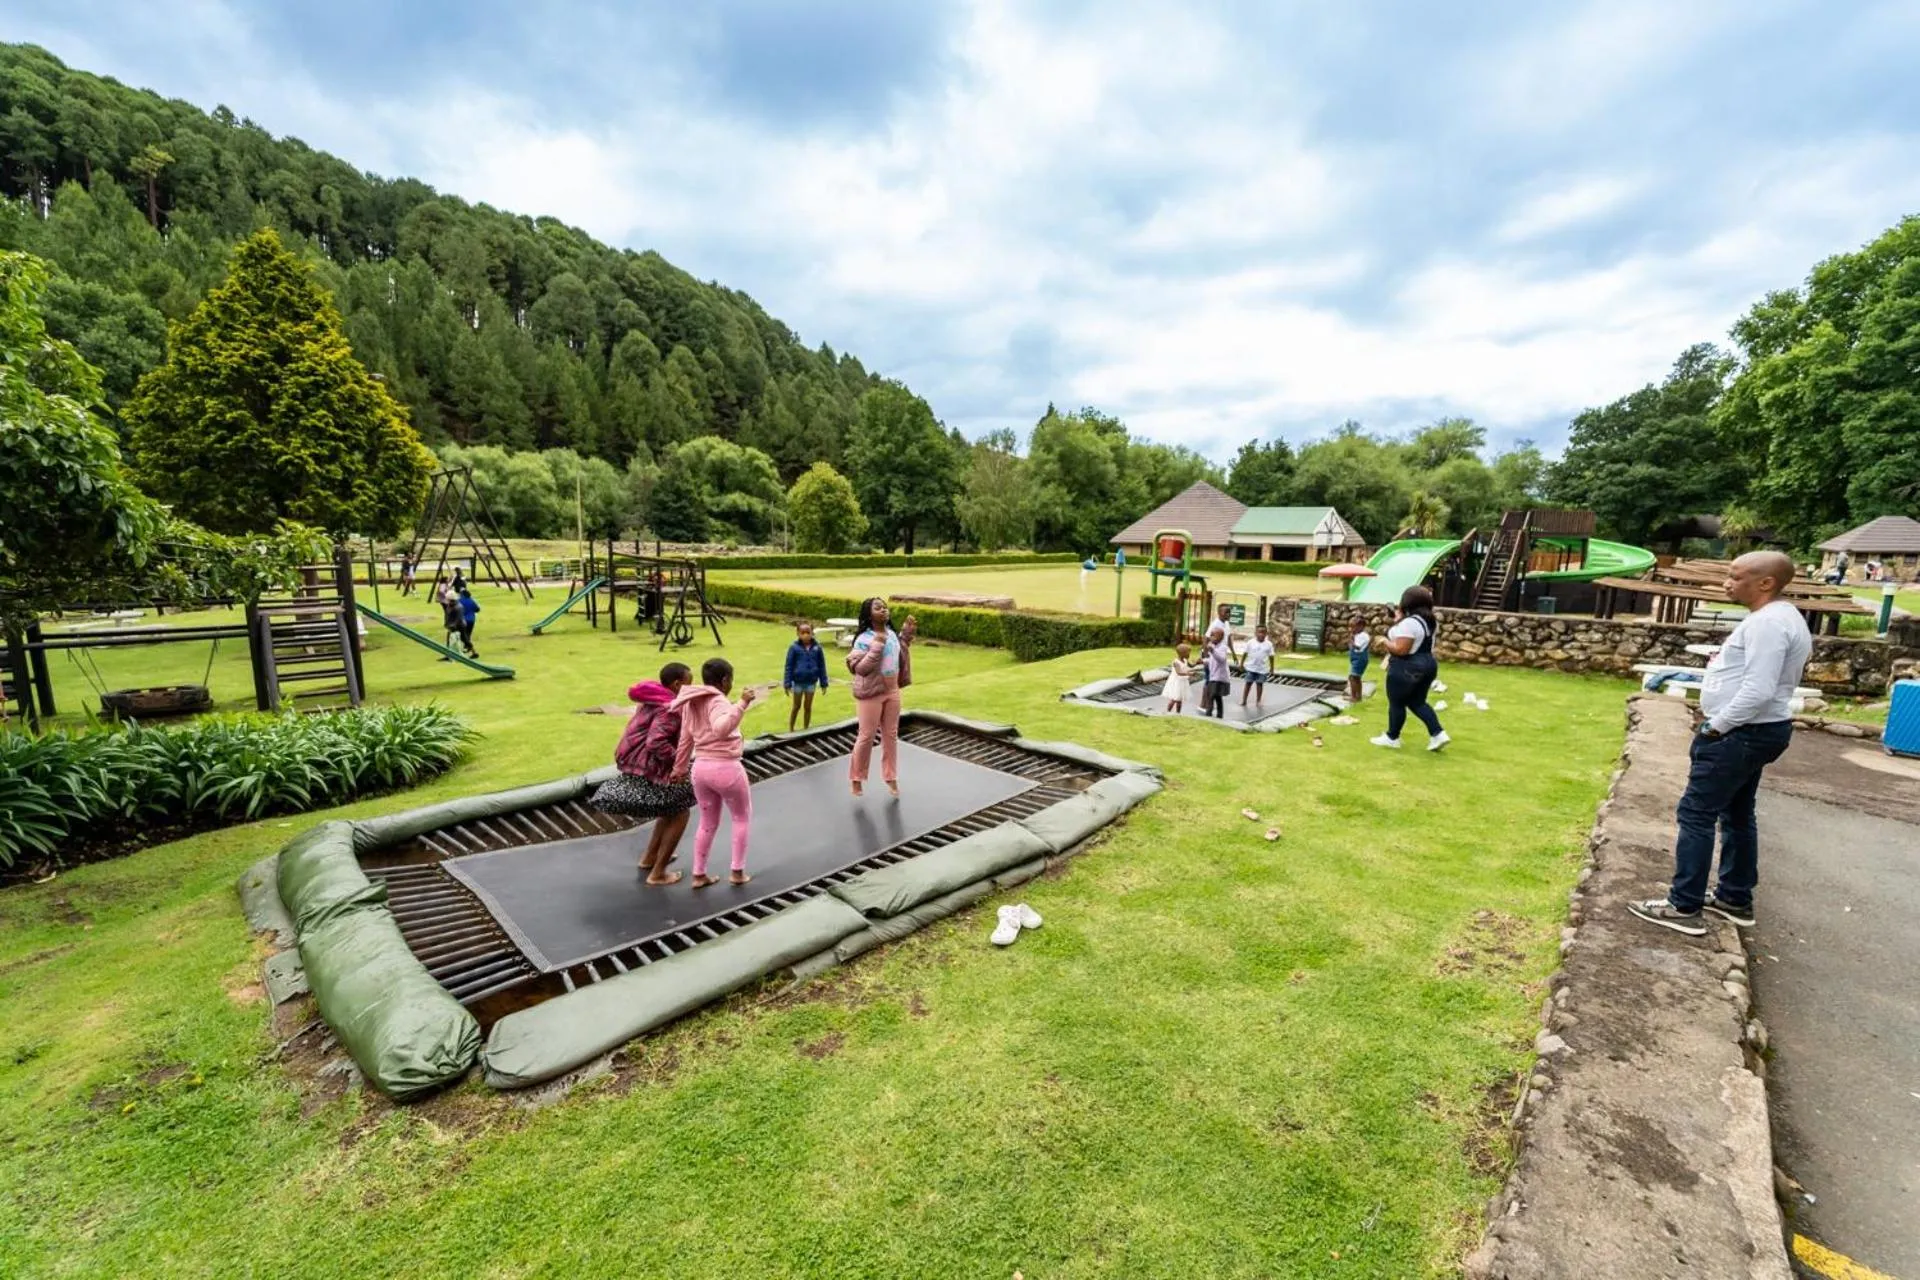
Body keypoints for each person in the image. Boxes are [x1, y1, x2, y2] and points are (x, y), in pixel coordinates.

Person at [1629, 552, 1812, 935]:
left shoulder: (1768, 624)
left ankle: (1684, 905)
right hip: (1760, 730)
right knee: (1738, 814)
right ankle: (1733, 897)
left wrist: (1716, 727)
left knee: (1696, 814)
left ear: (1766, 583)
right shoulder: (1783, 617)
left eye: (1735, 576)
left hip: (1740, 733)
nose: (1727, 583)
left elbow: (1758, 689)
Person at [591, 663, 696, 883]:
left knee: (669, 808)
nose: (691, 687)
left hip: (632, 761)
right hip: (647, 766)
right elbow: (656, 742)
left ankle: (649, 857)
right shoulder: (670, 707)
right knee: (680, 811)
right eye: (689, 682)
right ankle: (657, 874)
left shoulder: (654, 698)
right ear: (677, 684)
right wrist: (680, 762)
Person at [671, 657, 763, 888]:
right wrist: (741, 703)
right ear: (724, 680)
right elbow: (721, 729)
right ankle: (737, 872)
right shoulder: (718, 700)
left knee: (707, 822)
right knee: (741, 818)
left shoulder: (692, 702)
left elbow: (685, 739)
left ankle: (699, 874)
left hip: (700, 769)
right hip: (726, 769)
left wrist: (679, 768)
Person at [847, 597, 916, 797]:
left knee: (891, 735)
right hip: (871, 692)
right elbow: (860, 668)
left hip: (892, 689)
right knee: (866, 736)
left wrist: (906, 634)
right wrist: (877, 645)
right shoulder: (863, 639)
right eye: (878, 608)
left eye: (885, 607)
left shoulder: (892, 635)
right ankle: (857, 778)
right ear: (869, 614)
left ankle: (891, 777)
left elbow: (899, 651)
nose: (884, 610)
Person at [1371, 586, 1448, 751]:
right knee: (1417, 702)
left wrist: (1384, 641)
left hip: (1407, 666)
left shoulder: (1409, 623)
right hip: (1428, 663)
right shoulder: (1430, 621)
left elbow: (1401, 649)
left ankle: (1392, 737)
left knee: (1396, 702)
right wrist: (1399, 620)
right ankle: (1438, 734)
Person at [783, 621, 830, 732]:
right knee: (796, 707)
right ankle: (791, 729)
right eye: (802, 632)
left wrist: (824, 683)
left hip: (811, 683)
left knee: (808, 707)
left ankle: (806, 729)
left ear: (812, 633)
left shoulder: (817, 648)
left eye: (808, 632)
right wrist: (787, 683)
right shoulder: (794, 648)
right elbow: (788, 666)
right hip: (798, 683)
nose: (805, 635)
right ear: (798, 634)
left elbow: (822, 665)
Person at [1240, 624, 1276, 707]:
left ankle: (1258, 700)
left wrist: (1272, 668)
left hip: (1262, 669)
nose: (1261, 634)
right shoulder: (1250, 642)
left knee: (1259, 684)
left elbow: (1271, 657)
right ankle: (1244, 700)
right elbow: (1245, 653)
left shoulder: (1268, 644)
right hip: (1251, 667)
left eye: (1263, 632)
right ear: (1255, 633)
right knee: (1248, 683)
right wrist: (1241, 664)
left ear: (1266, 633)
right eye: (1259, 632)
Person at [1201, 625, 1232, 719]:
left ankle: (1208, 714)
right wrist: (1203, 661)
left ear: (1220, 637)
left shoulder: (1222, 647)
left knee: (1211, 695)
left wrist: (1212, 650)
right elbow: (1212, 660)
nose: (1211, 638)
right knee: (1217, 696)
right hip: (1213, 675)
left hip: (1219, 677)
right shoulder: (1214, 646)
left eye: (1213, 635)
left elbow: (1221, 659)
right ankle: (1219, 715)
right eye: (1211, 635)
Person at [1346, 615, 1372, 704]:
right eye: (1350, 626)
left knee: (1352, 677)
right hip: (1355, 658)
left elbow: (1357, 647)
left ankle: (1354, 697)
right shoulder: (1358, 634)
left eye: (1353, 627)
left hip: (1360, 658)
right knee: (1357, 678)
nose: (1351, 629)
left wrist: (1352, 640)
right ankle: (1358, 697)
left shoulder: (1363, 636)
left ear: (1361, 626)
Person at [1162, 642, 1194, 714]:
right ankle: (1167, 711)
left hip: (1182, 682)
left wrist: (1197, 662)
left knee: (1179, 699)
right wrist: (1188, 673)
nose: (1189, 655)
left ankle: (1178, 713)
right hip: (1177, 682)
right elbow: (1178, 672)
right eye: (1188, 653)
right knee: (1174, 698)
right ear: (1182, 653)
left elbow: (1191, 665)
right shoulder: (1176, 662)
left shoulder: (1185, 660)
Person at [456, 586, 480, 657]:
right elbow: (477, 609)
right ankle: (468, 647)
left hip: (463, 620)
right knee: (468, 634)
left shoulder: (459, 601)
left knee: (463, 635)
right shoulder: (472, 601)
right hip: (471, 620)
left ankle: (469, 648)